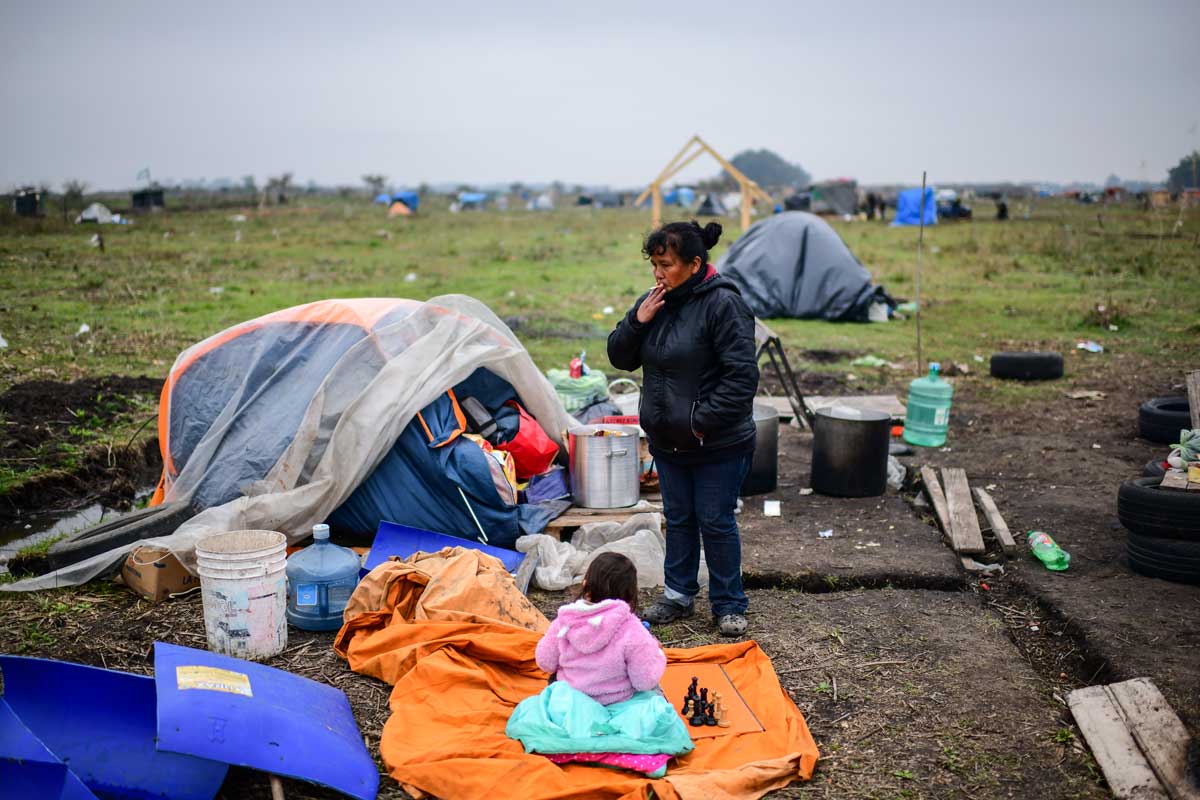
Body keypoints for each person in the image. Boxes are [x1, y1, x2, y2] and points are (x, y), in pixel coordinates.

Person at [607, 221, 758, 637]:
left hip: (717, 441)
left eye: (666, 264)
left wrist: (698, 422)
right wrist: (638, 321)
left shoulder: (724, 305)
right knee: (678, 518)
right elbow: (620, 357)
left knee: (715, 519)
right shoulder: (655, 301)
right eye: (654, 264)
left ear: (694, 264)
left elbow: (741, 379)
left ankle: (729, 604)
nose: (658, 273)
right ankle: (677, 594)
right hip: (669, 440)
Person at [534, 553, 666, 705]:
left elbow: (545, 662)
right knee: (654, 693)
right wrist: (657, 653)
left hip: (570, 704)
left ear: (585, 583)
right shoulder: (632, 628)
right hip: (619, 705)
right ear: (631, 593)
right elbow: (644, 681)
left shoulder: (565, 619)